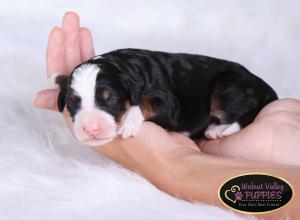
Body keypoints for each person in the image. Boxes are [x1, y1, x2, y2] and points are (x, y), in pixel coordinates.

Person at [33, 12, 300, 219]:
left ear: (131, 90)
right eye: (75, 104)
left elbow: (167, 108)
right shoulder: (124, 78)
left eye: (109, 101)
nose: (90, 124)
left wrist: (175, 166)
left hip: (231, 84)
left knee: (229, 93)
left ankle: (238, 120)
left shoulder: (144, 84)